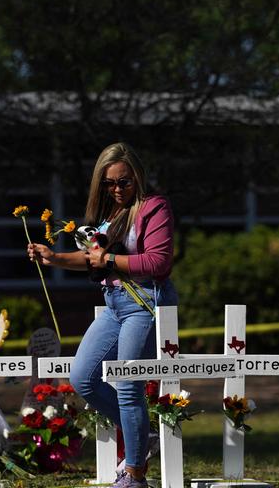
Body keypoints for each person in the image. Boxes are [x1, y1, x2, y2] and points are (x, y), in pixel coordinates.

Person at [27, 142, 176, 488]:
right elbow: (90, 257)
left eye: (124, 182)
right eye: (109, 183)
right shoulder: (111, 217)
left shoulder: (155, 208)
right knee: (83, 379)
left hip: (144, 304)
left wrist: (108, 260)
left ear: (137, 178)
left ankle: (135, 475)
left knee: (127, 386)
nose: (117, 189)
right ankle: (142, 436)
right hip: (113, 305)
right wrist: (53, 258)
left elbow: (158, 262)